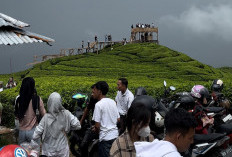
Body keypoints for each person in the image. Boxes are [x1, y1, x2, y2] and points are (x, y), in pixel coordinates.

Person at [31, 92, 81, 157]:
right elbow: (77, 125)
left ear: (49, 102)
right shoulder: (66, 114)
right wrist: (67, 128)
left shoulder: (45, 118)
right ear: (60, 102)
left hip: (48, 150)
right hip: (62, 149)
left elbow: (35, 135)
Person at [92, 81, 120, 157]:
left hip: (105, 139)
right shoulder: (112, 102)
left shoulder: (98, 105)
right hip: (115, 136)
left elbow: (97, 126)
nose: (92, 92)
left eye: (94, 90)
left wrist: (97, 131)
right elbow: (118, 119)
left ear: (99, 91)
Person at [14, 77, 46, 144]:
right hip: (33, 131)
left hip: (22, 132)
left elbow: (16, 116)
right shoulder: (37, 99)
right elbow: (44, 115)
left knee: (23, 153)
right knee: (34, 153)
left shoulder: (18, 100)